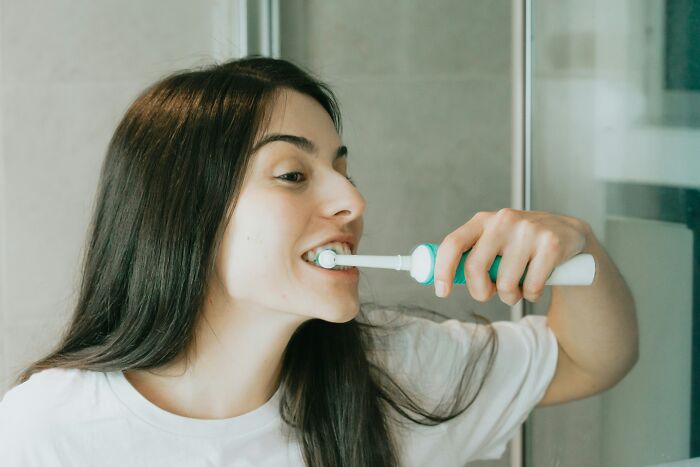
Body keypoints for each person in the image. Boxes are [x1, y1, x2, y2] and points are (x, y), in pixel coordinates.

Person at [0, 56, 638, 466]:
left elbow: (591, 358)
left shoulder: (392, 375)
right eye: (292, 174)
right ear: (183, 211)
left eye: (342, 170)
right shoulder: (44, 433)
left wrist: (577, 242)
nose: (353, 201)